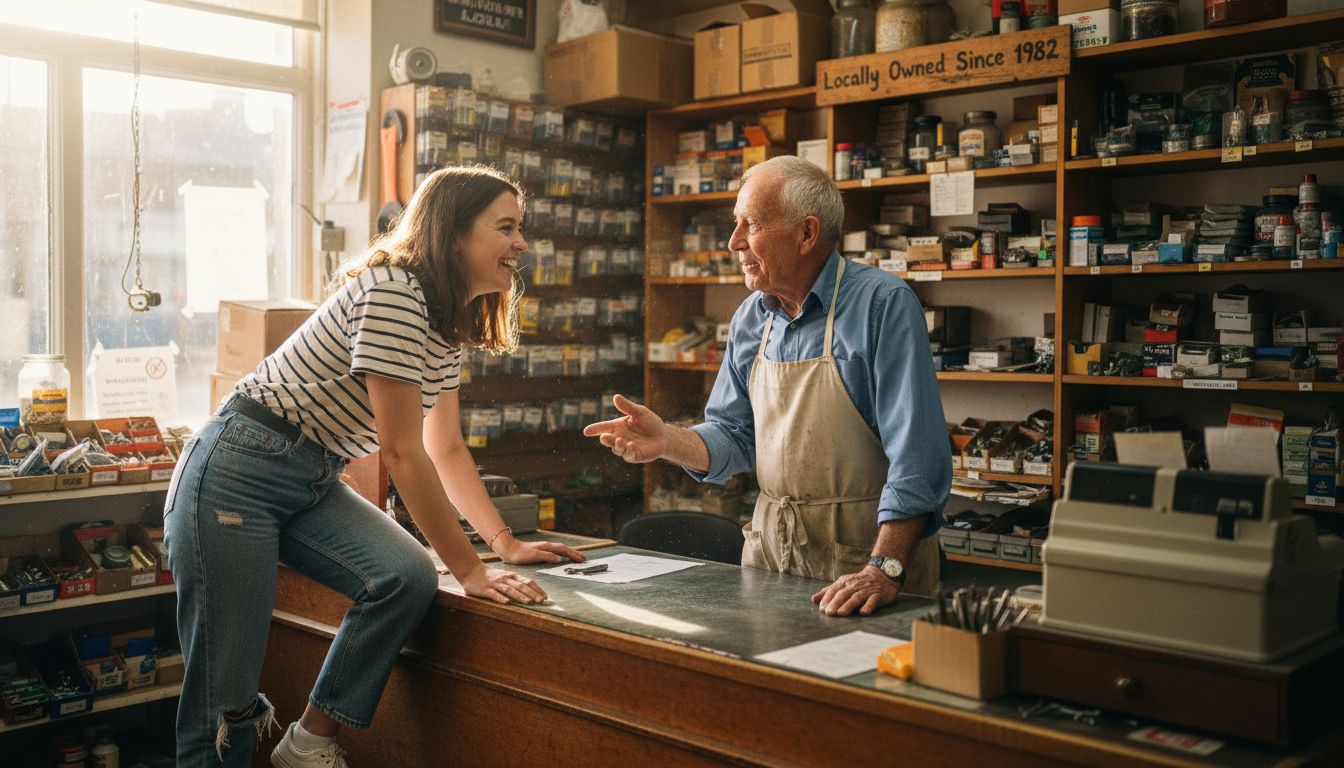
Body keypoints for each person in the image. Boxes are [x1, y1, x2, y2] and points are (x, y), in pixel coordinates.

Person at [164, 166, 585, 768]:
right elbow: (402, 453)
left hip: (310, 475)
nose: (523, 244)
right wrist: (471, 572)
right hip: (237, 472)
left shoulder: (443, 325)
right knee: (223, 704)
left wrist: (502, 544)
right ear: (454, 234)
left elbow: (446, 449)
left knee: (405, 577)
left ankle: (308, 743)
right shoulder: (395, 292)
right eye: (507, 227)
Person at [584, 155, 950, 617]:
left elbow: (918, 457)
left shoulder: (882, 306)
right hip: (773, 560)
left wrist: (885, 567)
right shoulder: (752, 316)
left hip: (867, 563)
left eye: (750, 225)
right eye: (736, 225)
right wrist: (668, 442)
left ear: (807, 234)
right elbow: (736, 436)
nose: (734, 241)